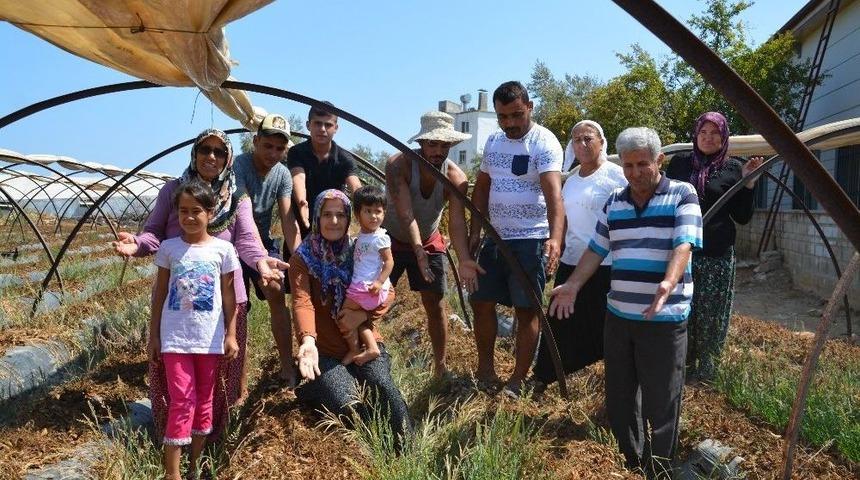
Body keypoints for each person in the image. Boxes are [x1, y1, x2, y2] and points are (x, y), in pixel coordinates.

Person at [113, 128, 285, 440]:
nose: (211, 157)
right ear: (195, 152)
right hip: (178, 305)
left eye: (219, 152)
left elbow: (246, 240)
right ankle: (174, 436)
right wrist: (137, 243)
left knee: (219, 376)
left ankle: (211, 442)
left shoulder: (236, 197)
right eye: (205, 149)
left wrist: (261, 262)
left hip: (225, 301)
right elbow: (154, 233)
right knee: (175, 375)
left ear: (228, 157)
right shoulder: (174, 191)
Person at [549, 127, 703, 476]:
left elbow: (684, 244)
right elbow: (596, 249)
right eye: (629, 166)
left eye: (642, 165)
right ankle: (629, 463)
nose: (634, 173)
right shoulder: (616, 200)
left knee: (662, 401)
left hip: (664, 318)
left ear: (659, 160)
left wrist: (668, 281)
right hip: (619, 314)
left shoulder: (682, 194)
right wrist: (573, 284)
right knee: (620, 397)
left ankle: (659, 468)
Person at [289, 189, 410, 442]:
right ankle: (372, 451)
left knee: (384, 389)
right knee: (348, 405)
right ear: (317, 216)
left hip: (366, 340)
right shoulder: (302, 258)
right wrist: (308, 340)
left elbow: (388, 292)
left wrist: (363, 314)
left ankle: (408, 450)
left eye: (340, 215)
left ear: (349, 219)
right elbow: (302, 301)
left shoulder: (360, 249)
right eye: (327, 214)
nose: (334, 221)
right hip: (327, 349)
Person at [468, 81, 564, 397]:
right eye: (502, 116)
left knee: (526, 311)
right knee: (481, 302)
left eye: (516, 115)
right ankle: (485, 371)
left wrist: (554, 239)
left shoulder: (544, 142)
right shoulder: (494, 143)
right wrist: (475, 232)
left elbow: (553, 196)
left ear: (530, 107)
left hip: (531, 240)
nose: (509, 123)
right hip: (496, 239)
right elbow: (481, 187)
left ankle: (518, 380)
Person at [148, 180, 241, 480]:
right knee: (182, 400)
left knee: (204, 400)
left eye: (196, 211)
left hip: (209, 341)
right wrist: (154, 336)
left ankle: (194, 466)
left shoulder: (223, 250)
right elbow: (160, 293)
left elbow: (230, 296)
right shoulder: (169, 249)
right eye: (183, 211)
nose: (189, 217)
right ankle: (172, 473)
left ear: (210, 213)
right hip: (175, 340)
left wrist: (230, 334)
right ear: (176, 213)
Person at [665, 111, 763, 382]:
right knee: (682, 307)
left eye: (715, 134)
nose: (708, 138)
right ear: (696, 135)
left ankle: (706, 368)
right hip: (682, 250)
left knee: (711, 311)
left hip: (716, 253)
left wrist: (748, 182)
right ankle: (679, 363)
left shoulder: (733, 167)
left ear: (724, 137)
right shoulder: (680, 164)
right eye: (703, 133)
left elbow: (742, 217)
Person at [383, 110, 481, 378]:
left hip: (429, 239)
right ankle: (368, 355)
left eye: (444, 145)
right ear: (422, 143)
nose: (438, 151)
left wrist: (463, 260)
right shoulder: (398, 165)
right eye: (433, 144)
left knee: (436, 304)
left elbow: (457, 223)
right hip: (390, 238)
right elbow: (405, 214)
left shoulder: (456, 178)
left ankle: (440, 367)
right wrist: (418, 252)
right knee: (373, 299)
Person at [531, 120, 627, 389]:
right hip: (572, 261)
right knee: (559, 321)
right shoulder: (570, 181)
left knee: (600, 324)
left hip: (605, 264)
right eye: (576, 140)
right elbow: (566, 220)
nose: (582, 145)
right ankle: (546, 377)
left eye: (588, 139)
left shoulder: (616, 177)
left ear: (601, 141)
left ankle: (602, 382)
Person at [233, 112, 299, 385]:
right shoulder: (240, 164)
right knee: (236, 305)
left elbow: (287, 217)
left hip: (263, 239)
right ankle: (237, 374)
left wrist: (298, 256)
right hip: (234, 241)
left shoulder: (283, 174)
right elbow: (243, 213)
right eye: (268, 146)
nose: (273, 153)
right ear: (255, 140)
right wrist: (259, 258)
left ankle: (286, 365)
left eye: (280, 148)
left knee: (275, 289)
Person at [287, 102, 362, 238]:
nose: (322, 129)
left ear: (336, 128)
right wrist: (302, 203)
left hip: (332, 228)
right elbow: (298, 178)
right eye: (317, 123)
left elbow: (356, 186)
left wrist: (365, 206)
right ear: (308, 125)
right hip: (302, 225)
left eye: (328, 125)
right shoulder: (297, 152)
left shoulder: (344, 158)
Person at [341, 185, 393, 366]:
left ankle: (354, 349)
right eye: (368, 211)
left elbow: (389, 262)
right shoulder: (362, 237)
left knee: (344, 314)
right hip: (361, 285)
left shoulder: (380, 237)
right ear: (357, 214)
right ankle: (371, 348)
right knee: (356, 318)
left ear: (384, 213)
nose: (374, 216)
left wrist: (379, 282)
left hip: (367, 286)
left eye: (378, 211)